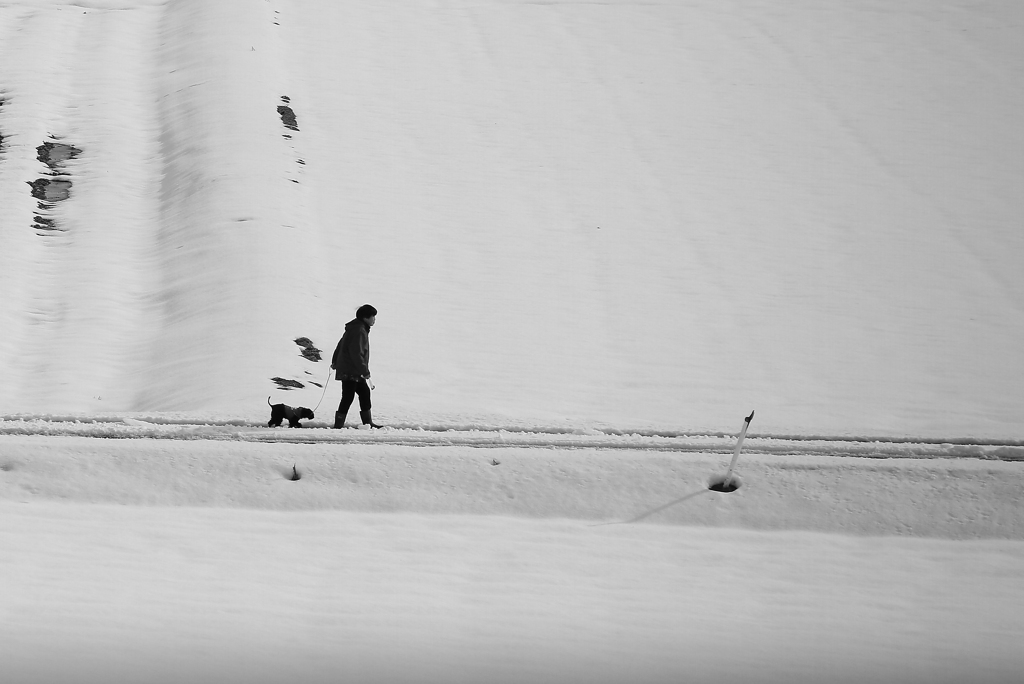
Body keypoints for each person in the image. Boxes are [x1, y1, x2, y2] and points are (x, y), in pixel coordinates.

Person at [331, 304, 382, 428]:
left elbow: (341, 344)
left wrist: (335, 361)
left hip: (351, 369)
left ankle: (367, 423)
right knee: (348, 396)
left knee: (363, 393)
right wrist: (364, 371)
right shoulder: (359, 330)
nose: (374, 319)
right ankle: (339, 425)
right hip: (351, 370)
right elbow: (356, 353)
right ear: (365, 318)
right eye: (373, 316)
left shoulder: (356, 328)